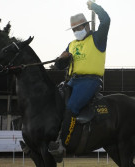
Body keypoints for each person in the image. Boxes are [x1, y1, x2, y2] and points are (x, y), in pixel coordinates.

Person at [48, 0, 110, 160]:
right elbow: (58, 65)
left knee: (71, 107)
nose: (76, 31)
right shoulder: (72, 44)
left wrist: (95, 7)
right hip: (72, 81)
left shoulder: (98, 38)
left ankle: (62, 145)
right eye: (74, 29)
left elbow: (106, 20)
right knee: (53, 102)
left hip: (90, 81)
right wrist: (61, 60)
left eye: (79, 28)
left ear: (87, 26)